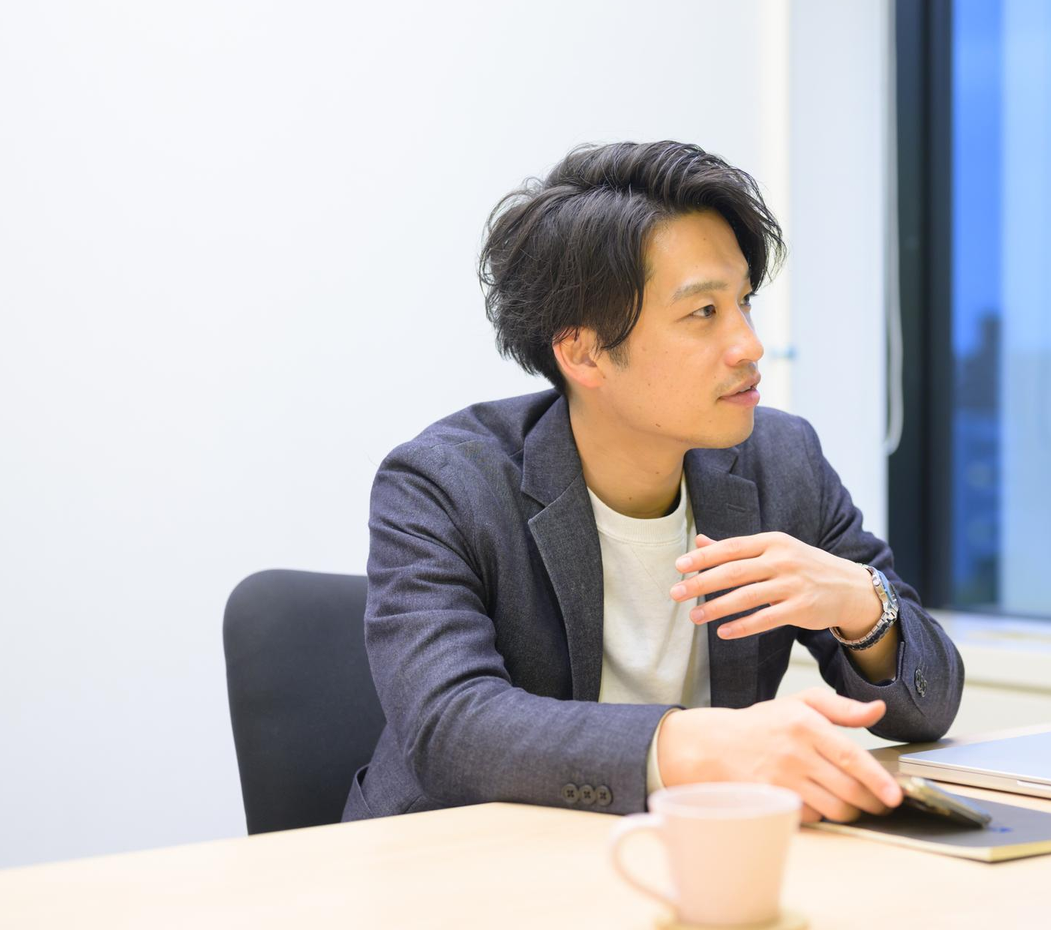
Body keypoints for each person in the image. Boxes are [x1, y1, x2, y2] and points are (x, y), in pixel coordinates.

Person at [342, 140, 964, 826]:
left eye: (744, 302)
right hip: (461, 855)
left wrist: (862, 605)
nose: (749, 344)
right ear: (584, 352)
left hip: (697, 851)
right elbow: (450, 727)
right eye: (703, 312)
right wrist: (694, 746)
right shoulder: (443, 484)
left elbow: (927, 708)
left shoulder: (782, 460)